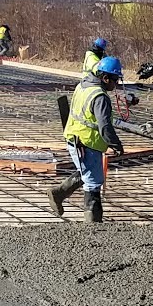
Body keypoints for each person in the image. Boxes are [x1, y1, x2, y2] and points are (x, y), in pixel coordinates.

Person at [51, 55, 127, 223]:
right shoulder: (100, 97)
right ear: (105, 78)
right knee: (93, 183)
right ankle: (93, 224)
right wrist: (116, 144)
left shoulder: (83, 85)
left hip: (74, 137)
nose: (115, 85)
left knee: (87, 173)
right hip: (86, 143)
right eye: (115, 80)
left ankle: (59, 193)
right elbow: (105, 126)